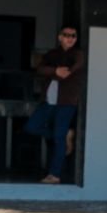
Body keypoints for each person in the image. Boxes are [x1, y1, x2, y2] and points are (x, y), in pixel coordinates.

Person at [26, 25, 86, 184]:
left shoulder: (77, 54)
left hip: (66, 102)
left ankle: (55, 175)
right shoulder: (52, 54)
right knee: (32, 126)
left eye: (73, 35)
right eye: (67, 35)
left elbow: (68, 72)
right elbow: (39, 69)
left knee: (58, 139)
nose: (70, 38)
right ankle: (65, 135)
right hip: (48, 101)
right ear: (60, 37)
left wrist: (55, 72)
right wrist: (55, 71)